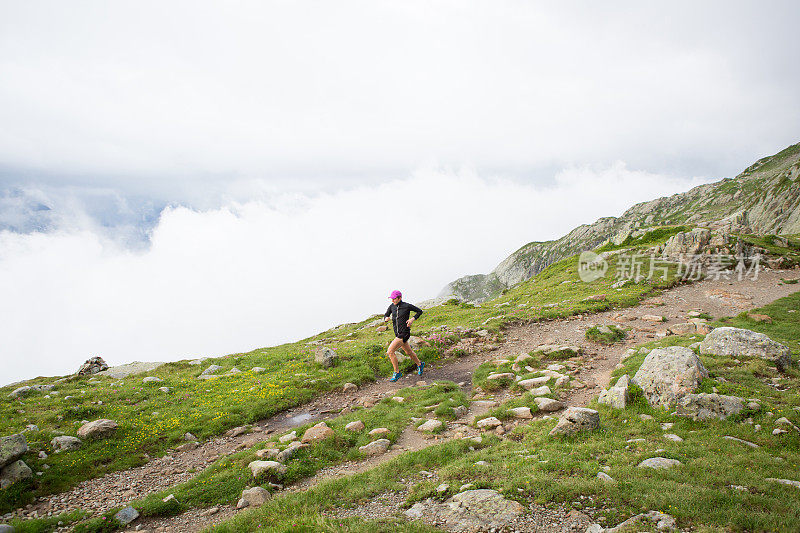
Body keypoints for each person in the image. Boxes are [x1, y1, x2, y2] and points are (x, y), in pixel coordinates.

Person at [383, 290, 425, 382]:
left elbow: (419, 311)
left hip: (404, 333)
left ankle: (397, 372)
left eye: (394, 299)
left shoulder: (406, 306)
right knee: (408, 352)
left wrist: (412, 319)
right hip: (397, 333)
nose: (392, 300)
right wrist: (386, 318)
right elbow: (386, 314)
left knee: (390, 351)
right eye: (392, 299)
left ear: (400, 298)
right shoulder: (392, 306)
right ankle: (420, 364)